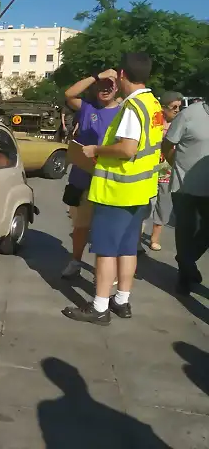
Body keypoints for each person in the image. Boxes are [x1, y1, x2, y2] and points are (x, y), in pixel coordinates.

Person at [62, 53, 162, 325]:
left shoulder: (132, 107)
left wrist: (97, 149)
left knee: (106, 251)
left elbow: (127, 149)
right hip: (140, 191)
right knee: (128, 249)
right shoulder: (153, 104)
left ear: (121, 75)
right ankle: (122, 301)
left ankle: (99, 306)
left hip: (118, 191)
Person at [61, 75, 121, 279]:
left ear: (118, 88)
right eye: (101, 86)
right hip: (82, 177)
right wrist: (97, 76)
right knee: (80, 227)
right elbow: (69, 94)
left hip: (109, 180)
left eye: (109, 86)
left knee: (104, 231)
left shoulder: (124, 112)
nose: (105, 90)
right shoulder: (87, 107)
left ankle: (101, 272)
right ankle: (75, 261)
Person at [161, 93, 209, 295]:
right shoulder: (189, 115)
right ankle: (184, 276)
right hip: (184, 187)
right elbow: (167, 144)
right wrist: (175, 164)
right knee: (185, 232)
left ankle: (186, 261)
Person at [148, 91, 182, 251]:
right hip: (150, 168)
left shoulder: (179, 124)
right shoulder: (155, 122)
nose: (176, 110)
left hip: (168, 171)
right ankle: (136, 236)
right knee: (145, 203)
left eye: (179, 107)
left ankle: (155, 238)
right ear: (164, 108)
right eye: (173, 107)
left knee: (164, 205)